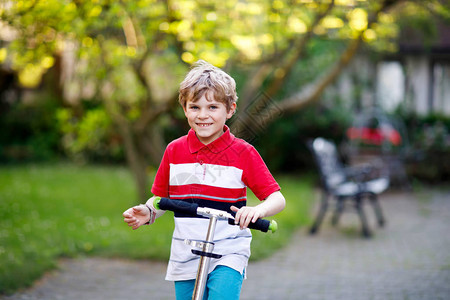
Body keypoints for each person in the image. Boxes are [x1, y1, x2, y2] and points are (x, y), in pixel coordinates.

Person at [123, 60, 286, 300]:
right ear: (185, 109)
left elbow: (277, 198)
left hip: (229, 248)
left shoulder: (243, 153)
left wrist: (257, 210)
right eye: (195, 107)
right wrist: (149, 212)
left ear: (230, 109)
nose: (202, 115)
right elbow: (161, 199)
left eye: (212, 107)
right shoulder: (174, 151)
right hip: (186, 249)